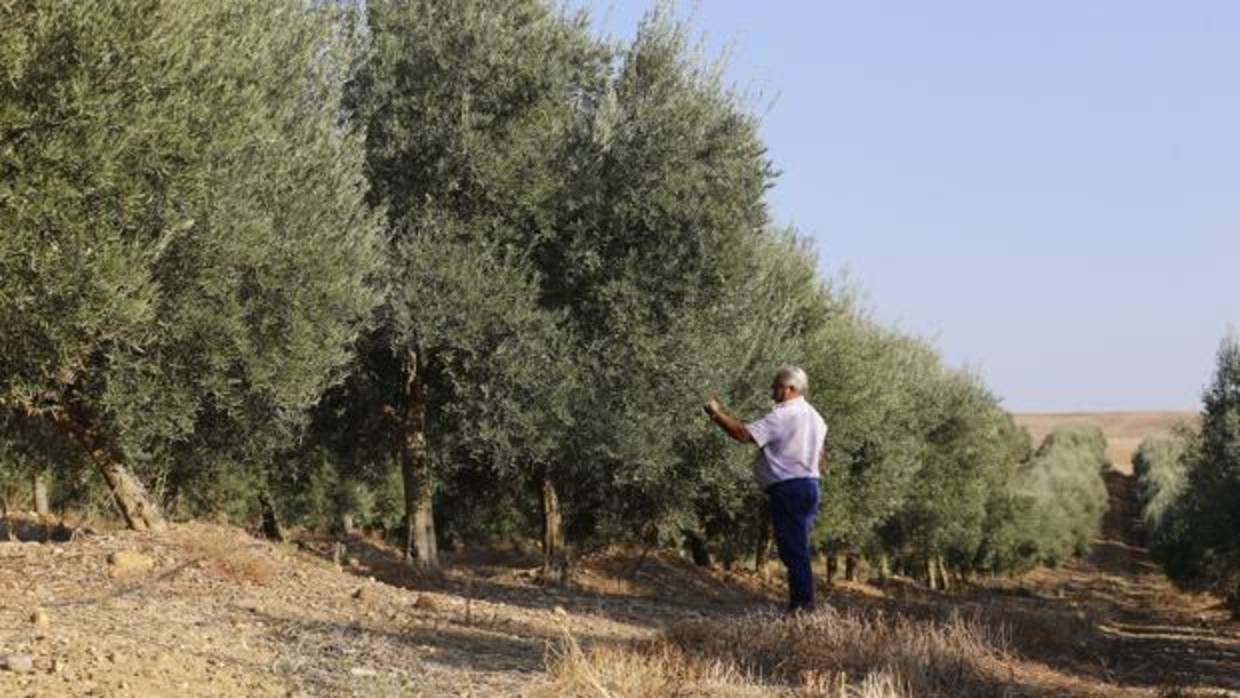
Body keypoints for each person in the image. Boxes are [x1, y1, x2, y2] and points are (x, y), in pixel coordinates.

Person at [704, 365, 827, 614]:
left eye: (776, 386)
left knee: (794, 551)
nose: (772, 390)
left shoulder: (784, 415)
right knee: (797, 548)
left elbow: (742, 434)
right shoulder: (815, 417)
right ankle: (802, 607)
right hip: (810, 486)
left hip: (789, 488)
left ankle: (802, 610)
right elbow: (821, 456)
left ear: (790, 388)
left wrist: (716, 414)